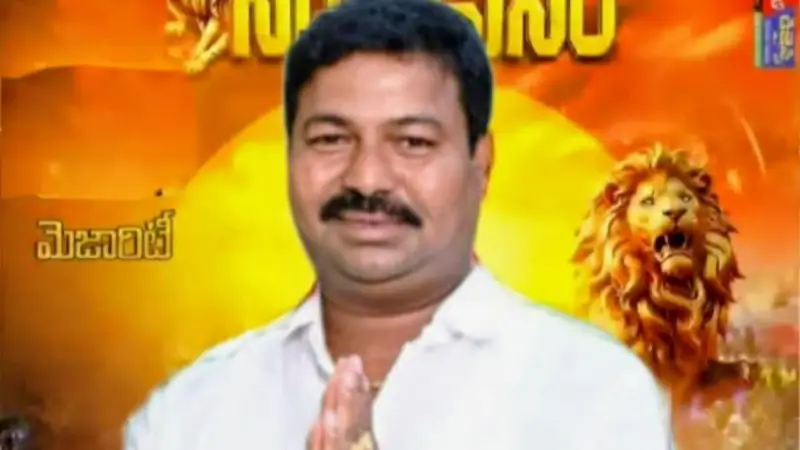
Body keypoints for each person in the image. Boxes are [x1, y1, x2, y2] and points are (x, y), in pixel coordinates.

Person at [123, 0, 675, 448]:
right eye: (331, 139)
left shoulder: (595, 394)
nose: (367, 178)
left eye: (412, 142)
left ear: (480, 165)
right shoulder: (190, 412)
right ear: (291, 159)